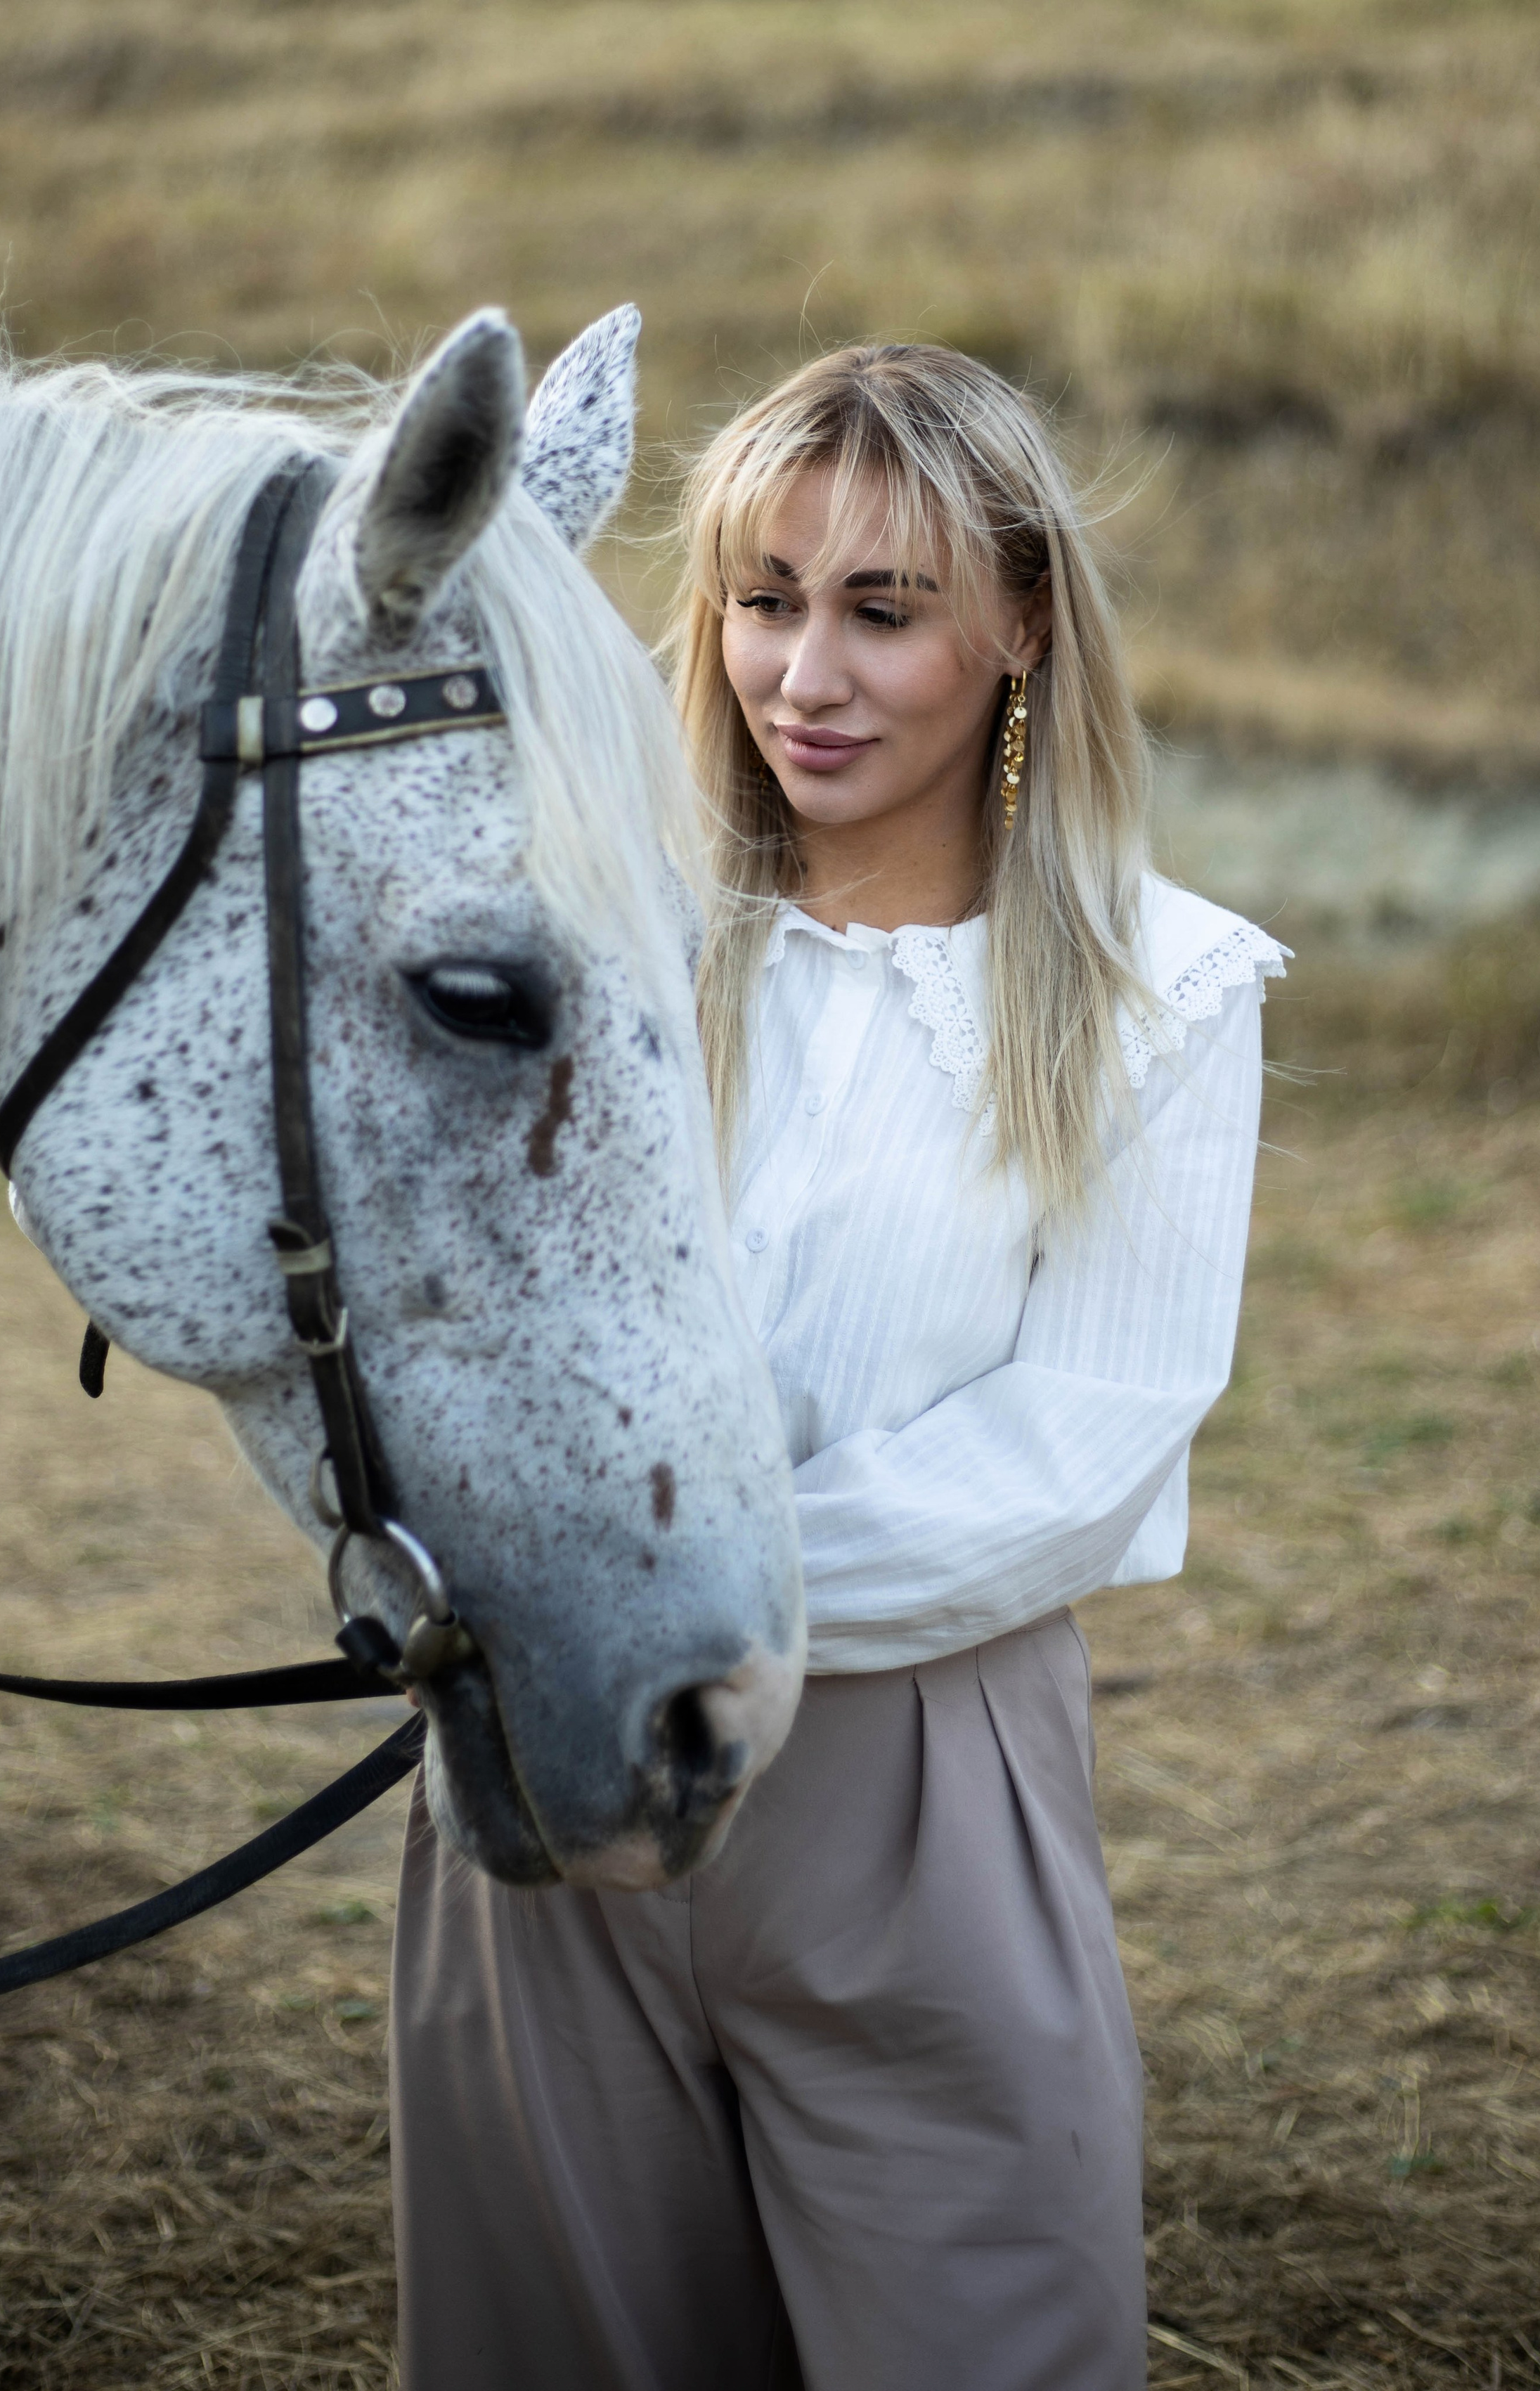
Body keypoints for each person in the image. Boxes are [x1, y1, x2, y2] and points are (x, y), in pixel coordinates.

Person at [389, 342, 1286, 2391]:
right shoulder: (593, 941)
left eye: (884, 610)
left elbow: (1093, 1432)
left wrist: (691, 1582)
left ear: (1024, 619)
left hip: (912, 1783)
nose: (808, 671)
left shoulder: (1162, 992)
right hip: (547, 1751)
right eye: (765, 597)